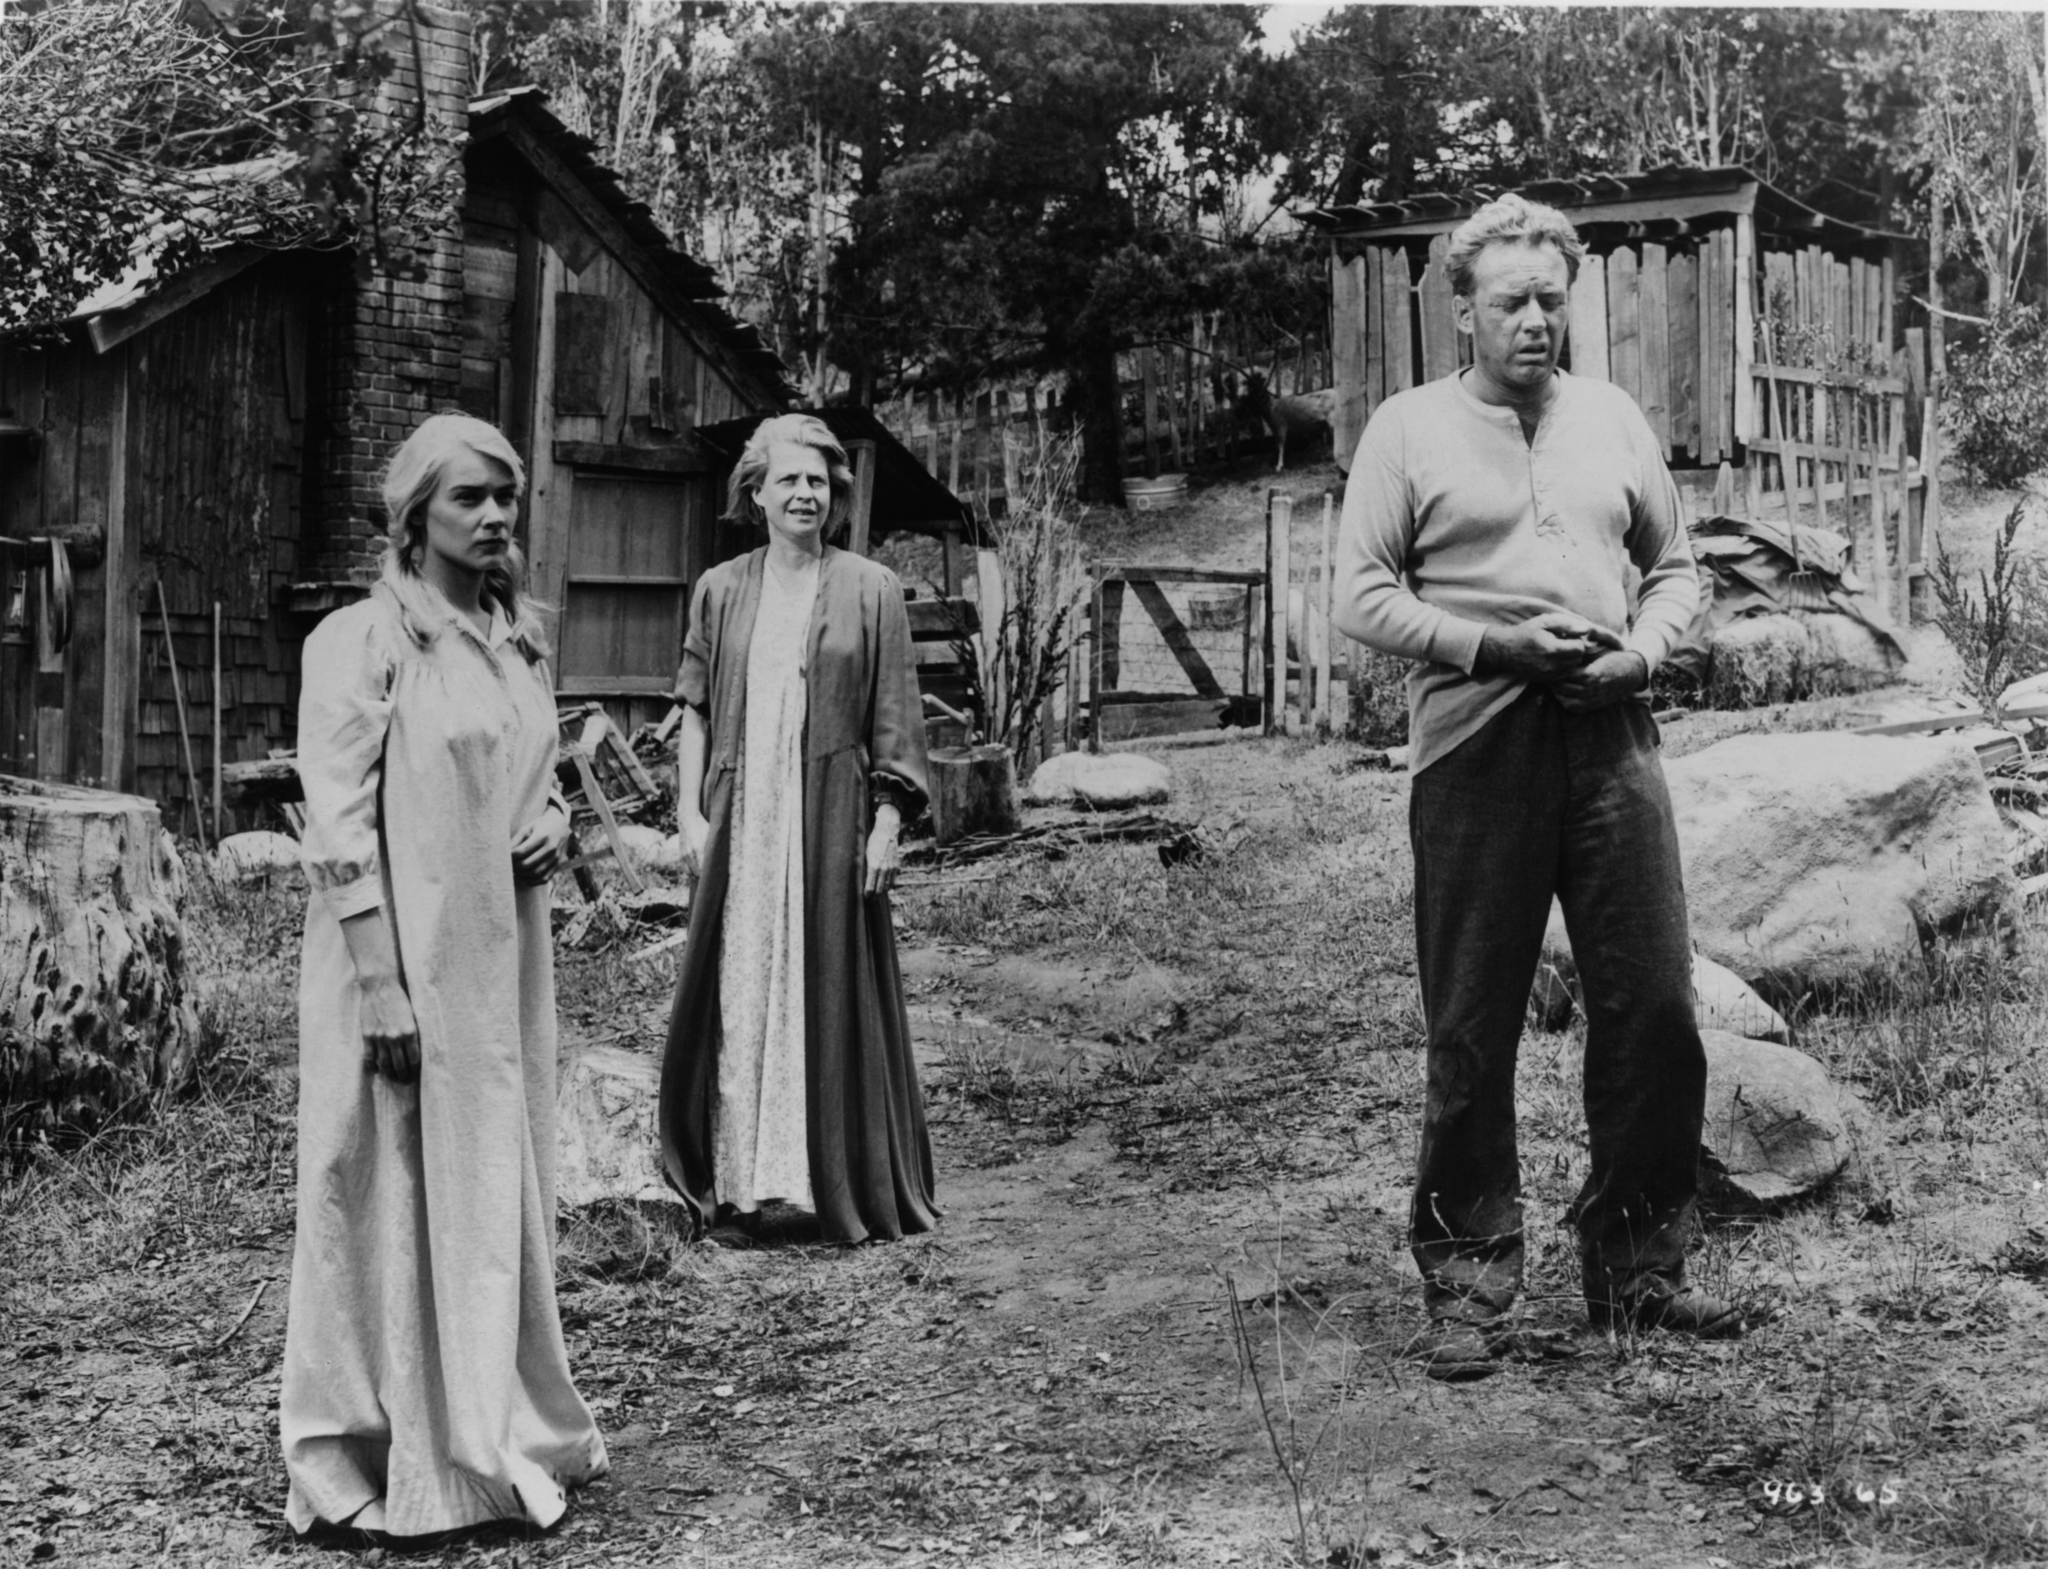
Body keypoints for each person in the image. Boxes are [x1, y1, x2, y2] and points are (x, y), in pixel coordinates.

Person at [1332, 195, 1736, 1382]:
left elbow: (1672, 569)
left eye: (1550, 300)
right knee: (1470, 1024)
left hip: (1611, 737)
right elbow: (1356, 596)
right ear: (1461, 312)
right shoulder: (1407, 430)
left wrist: (1643, 654)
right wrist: (1487, 647)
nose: (1532, 322)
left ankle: (1638, 1269)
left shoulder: (1611, 418)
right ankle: (1466, 1281)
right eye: (1507, 301)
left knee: (1654, 1005)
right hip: (1475, 747)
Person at [282, 413, 607, 1533]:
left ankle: (485, 1420)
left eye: (506, 500)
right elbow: (330, 828)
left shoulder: (517, 640)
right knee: (370, 1180)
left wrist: (553, 824)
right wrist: (379, 982)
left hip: (496, 966)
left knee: (479, 1180)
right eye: (470, 499)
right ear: (412, 516)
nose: (495, 519)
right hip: (396, 962)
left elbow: (538, 776)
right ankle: (355, 1458)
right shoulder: (361, 643)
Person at [658, 412, 938, 1245]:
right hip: (745, 815)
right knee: (740, 988)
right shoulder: (720, 588)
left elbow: (896, 716)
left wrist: (888, 820)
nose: (806, 493)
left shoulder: (871, 588)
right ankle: (741, 1185)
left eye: (819, 480)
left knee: (827, 983)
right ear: (756, 492)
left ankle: (832, 1179)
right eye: (789, 479)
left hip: (831, 817)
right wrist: (688, 813)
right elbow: (696, 713)